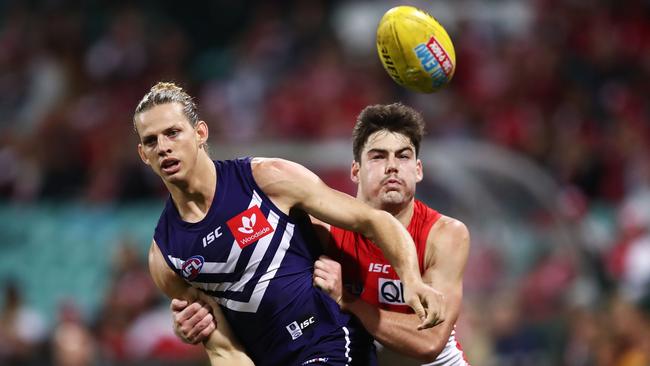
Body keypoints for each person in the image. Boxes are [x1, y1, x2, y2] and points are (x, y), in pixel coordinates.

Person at [135, 82, 445, 366]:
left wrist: (413, 280)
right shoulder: (166, 257)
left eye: (173, 133)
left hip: (330, 344)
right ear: (143, 154)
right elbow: (224, 349)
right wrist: (192, 329)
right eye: (151, 141)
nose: (163, 147)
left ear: (200, 133)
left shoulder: (266, 179)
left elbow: (374, 221)